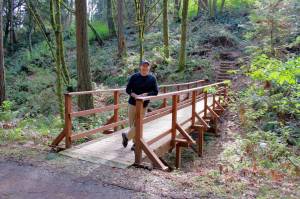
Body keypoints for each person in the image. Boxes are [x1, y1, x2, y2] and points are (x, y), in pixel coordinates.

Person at [122, 60, 158, 151]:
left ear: (149, 68)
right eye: (143, 66)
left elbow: (155, 92)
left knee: (139, 123)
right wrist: (134, 95)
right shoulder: (134, 77)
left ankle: (127, 136)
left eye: (146, 66)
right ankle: (135, 143)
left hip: (143, 105)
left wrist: (146, 94)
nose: (145, 68)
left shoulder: (152, 78)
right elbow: (127, 89)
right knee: (132, 124)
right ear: (140, 67)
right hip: (132, 103)